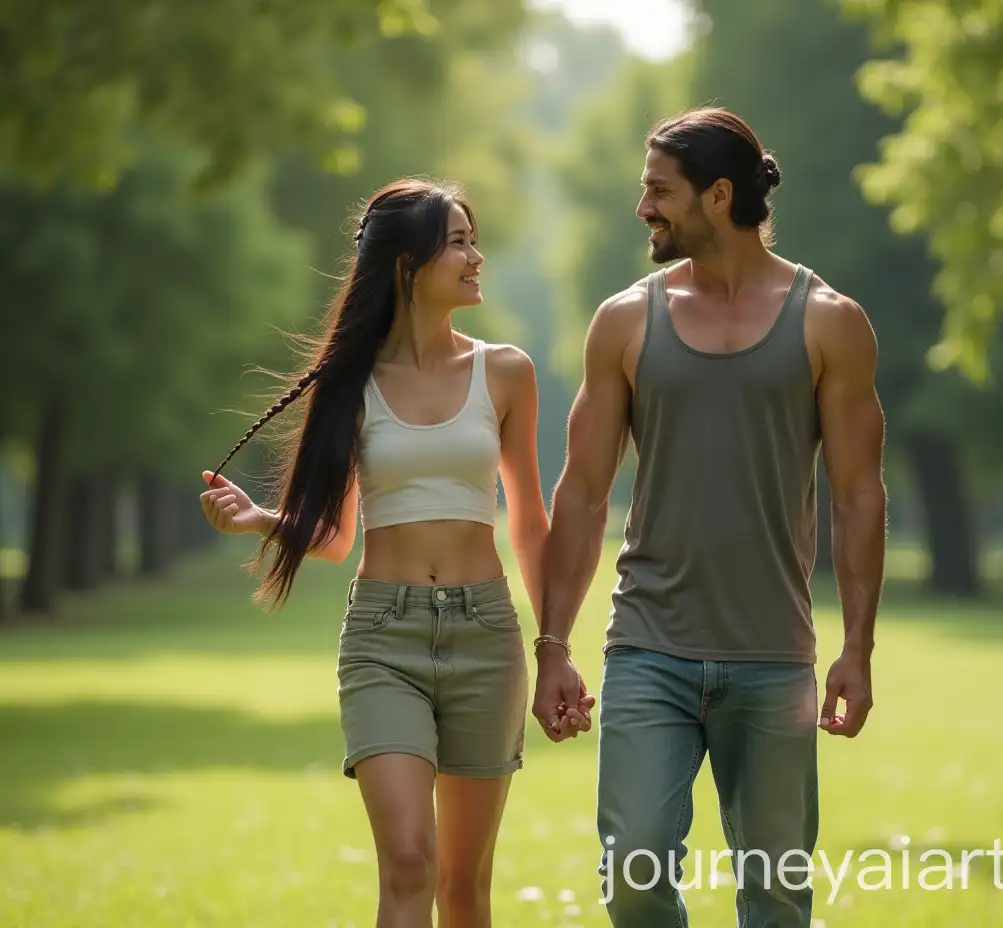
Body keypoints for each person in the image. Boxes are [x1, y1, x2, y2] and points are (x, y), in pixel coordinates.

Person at [198, 177, 592, 928]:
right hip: (385, 640)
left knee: (465, 889)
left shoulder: (506, 372)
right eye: (459, 242)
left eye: (475, 240)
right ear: (408, 265)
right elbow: (336, 535)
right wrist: (259, 520)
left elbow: (530, 524)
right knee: (410, 861)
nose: (477, 257)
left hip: (485, 636)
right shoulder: (350, 385)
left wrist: (554, 648)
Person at [531, 107, 888, 927]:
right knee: (634, 876)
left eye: (659, 190)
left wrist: (858, 649)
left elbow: (858, 495)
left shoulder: (830, 321)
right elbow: (582, 494)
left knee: (776, 899)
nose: (644, 206)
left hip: (772, 658)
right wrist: (553, 646)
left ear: (719, 196)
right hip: (648, 647)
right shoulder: (625, 321)